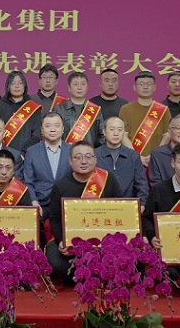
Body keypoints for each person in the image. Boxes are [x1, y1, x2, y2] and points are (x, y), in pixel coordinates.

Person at [46, 141, 124, 284]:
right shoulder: (61, 185)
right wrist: (62, 241)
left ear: (95, 159)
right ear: (70, 161)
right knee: (55, 263)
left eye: (88, 157)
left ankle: (85, 275)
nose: (84, 161)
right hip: (72, 241)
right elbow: (55, 218)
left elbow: (121, 210)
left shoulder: (108, 180)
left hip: (102, 239)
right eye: (78, 157)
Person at [23, 112, 72, 220]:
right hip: (41, 205)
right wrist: (34, 201)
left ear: (63, 129)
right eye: (48, 126)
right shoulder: (31, 152)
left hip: (66, 206)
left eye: (57, 126)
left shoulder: (72, 151)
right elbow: (28, 181)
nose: (52, 129)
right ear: (42, 130)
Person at [119, 71, 171, 166]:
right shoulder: (125, 109)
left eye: (149, 84)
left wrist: (156, 155)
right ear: (135, 87)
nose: (145, 87)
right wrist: (136, 156)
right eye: (141, 84)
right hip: (132, 159)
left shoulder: (163, 110)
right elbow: (123, 135)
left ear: (155, 87)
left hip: (158, 160)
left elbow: (167, 135)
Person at [94, 117, 149, 206]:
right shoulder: (94, 155)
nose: (116, 133)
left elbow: (141, 184)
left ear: (124, 132)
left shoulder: (133, 156)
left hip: (127, 205)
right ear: (104, 131)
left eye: (120, 130)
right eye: (112, 129)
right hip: (101, 206)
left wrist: (142, 204)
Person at [0, 71, 42, 155]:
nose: (17, 86)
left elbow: (36, 135)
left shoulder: (33, 107)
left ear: (25, 86)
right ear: (8, 86)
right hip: (3, 155)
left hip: (27, 155)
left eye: (20, 83)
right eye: (13, 83)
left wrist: (24, 153)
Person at [54, 71, 104, 147]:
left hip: (90, 152)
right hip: (66, 152)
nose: (79, 88)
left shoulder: (95, 109)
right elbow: (54, 134)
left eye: (83, 84)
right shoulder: (59, 109)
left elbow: (102, 135)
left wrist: (96, 152)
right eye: (75, 84)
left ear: (87, 87)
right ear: (69, 87)